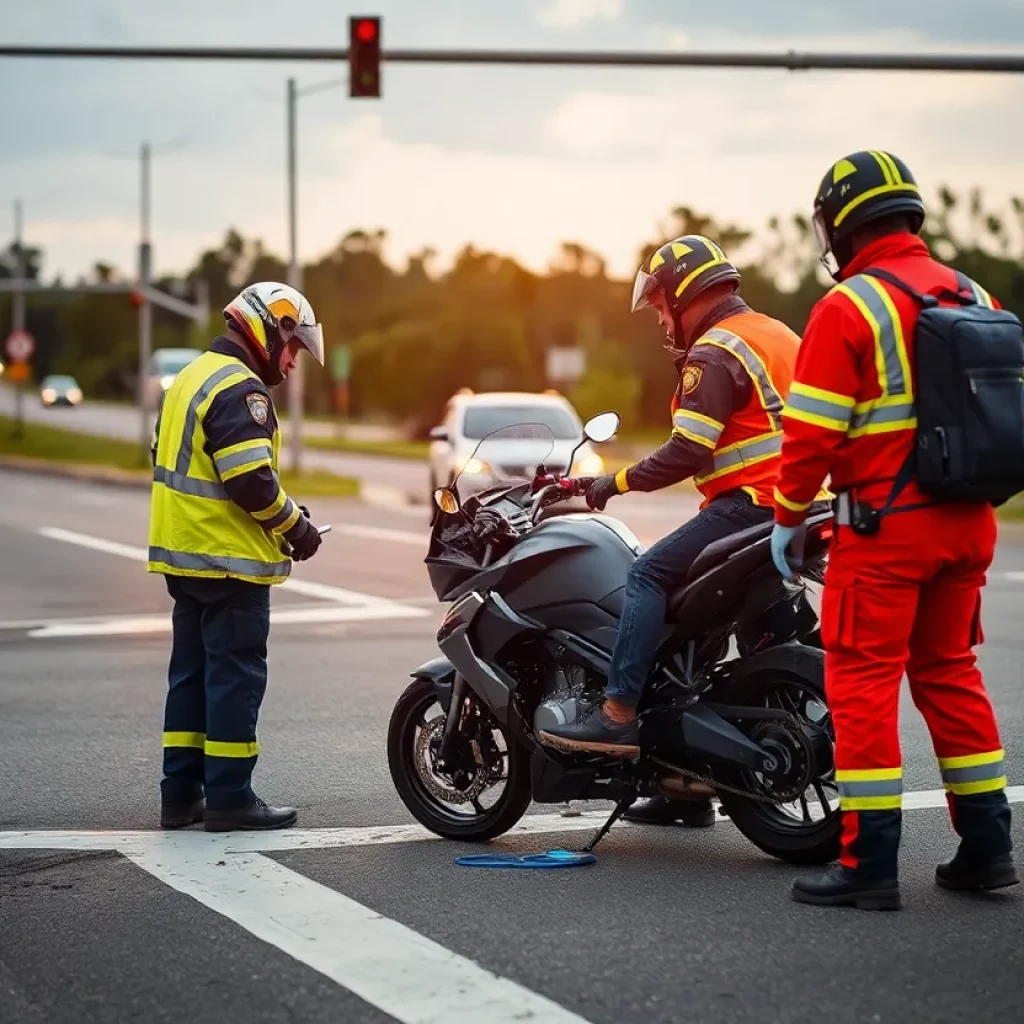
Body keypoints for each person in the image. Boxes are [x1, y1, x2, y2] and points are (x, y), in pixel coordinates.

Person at [770, 150, 1017, 910]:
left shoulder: (851, 307)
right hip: (970, 523)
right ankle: (986, 849)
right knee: (949, 676)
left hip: (885, 533)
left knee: (863, 687)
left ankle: (869, 865)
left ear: (842, 224)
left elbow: (810, 434)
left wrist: (786, 517)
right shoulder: (972, 291)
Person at [539, 234, 819, 828]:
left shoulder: (715, 350)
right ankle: (684, 785)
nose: (662, 318)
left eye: (662, 305)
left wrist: (607, 485)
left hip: (752, 504)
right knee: (700, 617)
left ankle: (616, 713)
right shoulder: (776, 333)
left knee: (647, 576)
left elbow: (688, 449)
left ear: (683, 292)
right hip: (801, 508)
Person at [149, 282, 326, 832]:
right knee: (234, 678)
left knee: (191, 679)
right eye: (294, 347)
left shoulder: (191, 377)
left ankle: (179, 796)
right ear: (273, 331)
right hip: (229, 562)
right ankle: (229, 797)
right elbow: (250, 480)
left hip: (186, 557)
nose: (294, 362)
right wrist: (298, 528)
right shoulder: (240, 388)